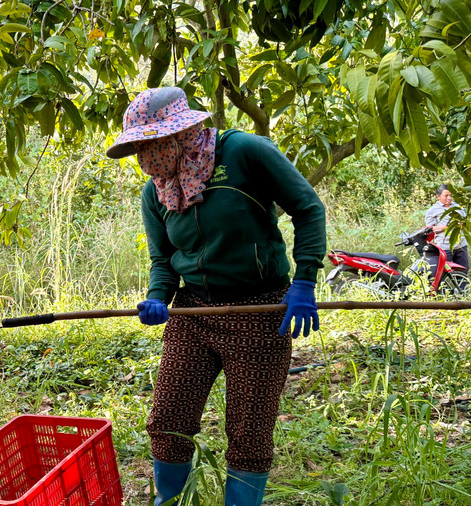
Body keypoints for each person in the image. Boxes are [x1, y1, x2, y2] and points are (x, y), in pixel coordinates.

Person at [106, 88, 326, 505]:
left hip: (261, 309)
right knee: (169, 417)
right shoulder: (157, 191)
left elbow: (308, 208)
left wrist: (305, 282)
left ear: (182, 133)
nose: (145, 158)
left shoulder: (244, 152)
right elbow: (164, 258)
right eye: (138, 148)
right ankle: (167, 500)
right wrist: (157, 296)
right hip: (195, 310)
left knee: (249, 428)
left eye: (151, 144)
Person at [425, 184, 468, 271]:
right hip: (444, 246)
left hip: (461, 245)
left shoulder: (458, 207)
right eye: (446, 195)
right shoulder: (433, 210)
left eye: (451, 195)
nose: (449, 198)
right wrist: (445, 227)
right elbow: (429, 229)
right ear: (438, 196)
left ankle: (463, 285)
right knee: (444, 272)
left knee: (463, 271)